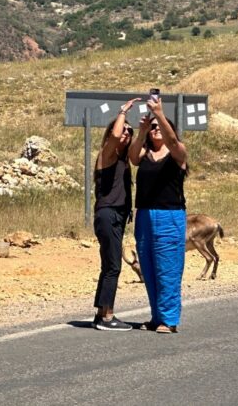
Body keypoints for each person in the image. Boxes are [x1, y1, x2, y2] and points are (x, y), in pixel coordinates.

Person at [128, 97, 188, 334]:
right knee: (150, 267)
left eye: (159, 127)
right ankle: (156, 316)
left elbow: (173, 142)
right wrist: (141, 132)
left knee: (168, 268)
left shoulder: (177, 155)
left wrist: (160, 115)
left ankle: (169, 319)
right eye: (153, 126)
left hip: (169, 216)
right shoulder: (144, 155)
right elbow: (132, 157)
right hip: (144, 215)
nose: (156, 130)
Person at [91, 98, 138, 331]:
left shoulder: (122, 160)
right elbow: (115, 136)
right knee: (113, 267)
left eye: (131, 130)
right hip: (108, 215)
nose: (127, 133)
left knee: (109, 265)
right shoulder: (107, 154)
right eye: (124, 129)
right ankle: (108, 317)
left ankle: (101, 313)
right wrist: (123, 112)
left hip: (116, 217)